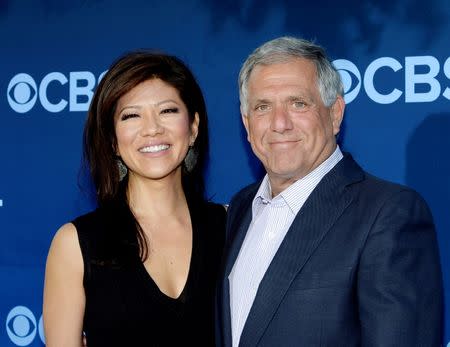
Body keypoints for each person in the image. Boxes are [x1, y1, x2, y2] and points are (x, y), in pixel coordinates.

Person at [217, 36, 443, 346]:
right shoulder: (240, 209)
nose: (279, 124)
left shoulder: (388, 214)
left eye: (298, 103)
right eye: (262, 107)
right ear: (246, 122)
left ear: (335, 113)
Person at [43, 51, 226, 346]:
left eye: (167, 111)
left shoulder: (232, 227)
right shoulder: (76, 244)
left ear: (193, 128)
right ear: (112, 141)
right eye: (131, 115)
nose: (152, 128)